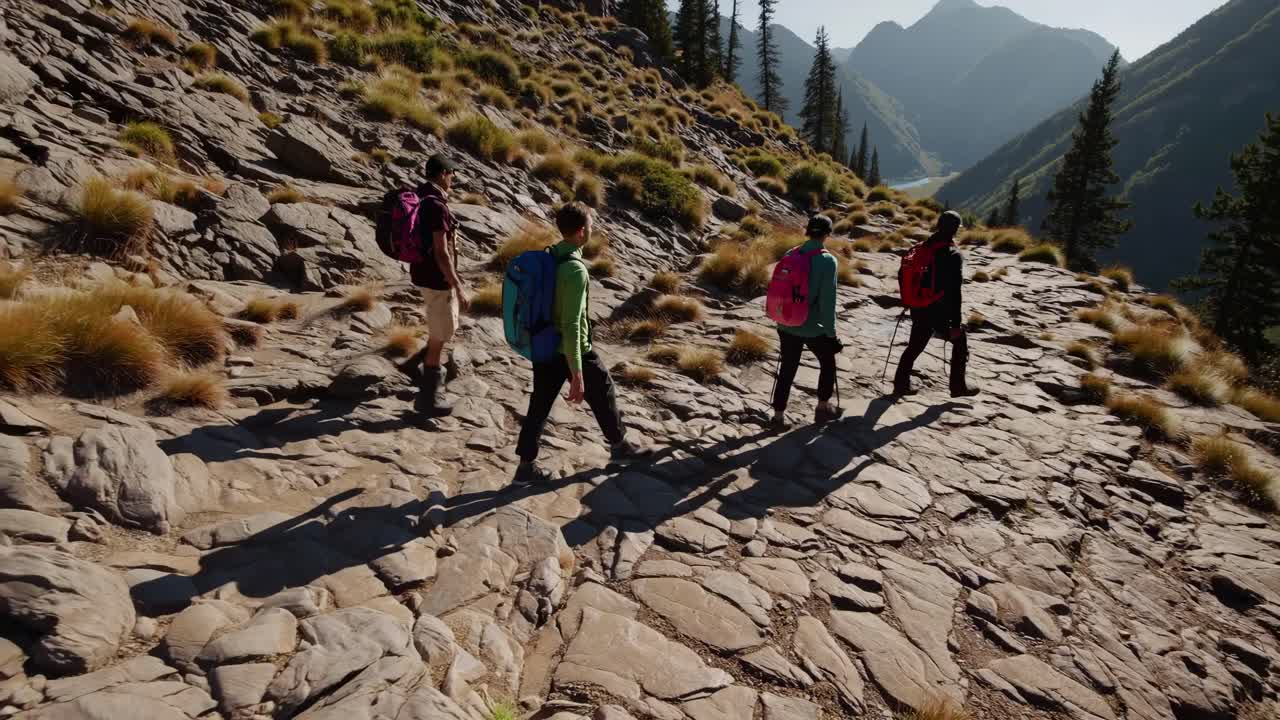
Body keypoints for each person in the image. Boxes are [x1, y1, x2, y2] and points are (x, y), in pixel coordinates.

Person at [512, 202, 652, 484]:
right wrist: (576, 371)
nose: (592, 229)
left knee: (539, 405)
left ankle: (525, 467)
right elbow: (572, 324)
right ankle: (619, 446)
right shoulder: (575, 270)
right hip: (572, 349)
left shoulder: (551, 255)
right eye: (590, 225)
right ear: (579, 232)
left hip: (544, 344)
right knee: (604, 390)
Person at [892, 210, 979, 398]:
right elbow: (954, 292)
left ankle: (900, 384)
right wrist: (955, 324)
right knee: (960, 340)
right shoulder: (952, 254)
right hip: (938, 310)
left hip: (918, 305)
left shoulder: (921, 248)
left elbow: (902, 275)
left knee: (915, 344)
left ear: (938, 225)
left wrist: (911, 299)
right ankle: (958, 386)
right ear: (955, 230)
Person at [771, 214, 844, 429]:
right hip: (812, 327)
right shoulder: (827, 260)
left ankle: (778, 416)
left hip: (786, 323)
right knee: (828, 363)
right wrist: (831, 334)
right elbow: (827, 302)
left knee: (787, 368)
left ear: (808, 230)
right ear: (828, 234)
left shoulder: (791, 253)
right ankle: (823, 406)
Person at [411, 154, 469, 417]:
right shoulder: (437, 206)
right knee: (440, 336)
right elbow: (441, 252)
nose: (454, 178)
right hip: (437, 279)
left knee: (438, 329)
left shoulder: (419, 196)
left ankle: (414, 367)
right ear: (443, 173)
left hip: (421, 274)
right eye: (452, 174)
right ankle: (427, 400)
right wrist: (457, 285)